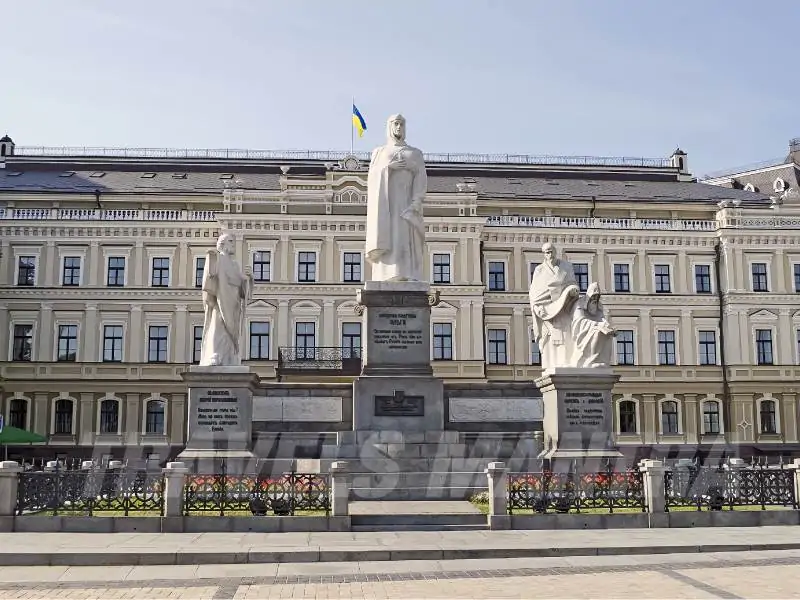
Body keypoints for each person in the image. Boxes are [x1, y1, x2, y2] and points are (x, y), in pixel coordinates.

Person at [365, 114, 428, 281]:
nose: (398, 127)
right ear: (389, 127)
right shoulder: (379, 152)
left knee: (405, 237)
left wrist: (416, 201)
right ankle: (385, 273)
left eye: (401, 124)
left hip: (406, 204)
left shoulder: (415, 153)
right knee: (390, 235)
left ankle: (407, 273)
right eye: (395, 124)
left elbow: (421, 177)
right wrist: (388, 168)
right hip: (387, 207)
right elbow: (371, 180)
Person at [199, 233, 252, 366]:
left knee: (230, 333)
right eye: (230, 241)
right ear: (222, 244)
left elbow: (242, 288)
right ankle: (215, 354)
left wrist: (248, 278)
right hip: (220, 300)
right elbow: (209, 279)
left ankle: (228, 357)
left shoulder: (235, 265)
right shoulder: (217, 258)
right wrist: (211, 264)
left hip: (233, 303)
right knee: (218, 326)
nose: (233, 244)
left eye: (233, 242)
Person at [529, 242, 580, 369]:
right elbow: (534, 292)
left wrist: (573, 290)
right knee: (550, 338)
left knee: (565, 336)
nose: (549, 254)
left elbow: (573, 283)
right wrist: (536, 307)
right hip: (547, 310)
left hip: (563, 307)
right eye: (547, 252)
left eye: (551, 251)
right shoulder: (539, 270)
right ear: (544, 255)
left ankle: (566, 363)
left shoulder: (566, 267)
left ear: (556, 252)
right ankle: (550, 365)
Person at [571, 282, 616, 368]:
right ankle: (590, 360)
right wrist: (597, 325)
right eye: (593, 296)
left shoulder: (598, 306)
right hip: (582, 332)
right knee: (597, 332)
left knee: (607, 335)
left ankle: (602, 360)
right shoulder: (579, 304)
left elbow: (601, 318)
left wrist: (607, 327)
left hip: (594, 328)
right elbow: (579, 321)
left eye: (597, 297)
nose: (595, 299)